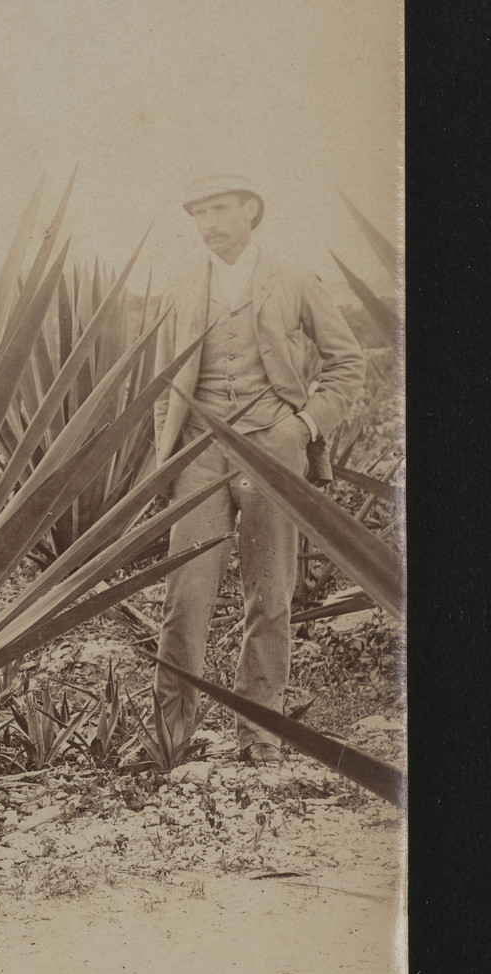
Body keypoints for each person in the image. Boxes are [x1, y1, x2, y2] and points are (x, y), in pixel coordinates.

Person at [153, 175, 365, 764]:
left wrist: (303, 426)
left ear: (250, 210)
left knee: (269, 595)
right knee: (185, 596)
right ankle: (169, 739)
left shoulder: (293, 279)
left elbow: (347, 365)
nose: (207, 222)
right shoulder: (181, 284)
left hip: (273, 449)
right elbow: (162, 381)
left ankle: (261, 735)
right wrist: (164, 456)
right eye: (197, 212)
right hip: (198, 454)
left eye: (218, 209)